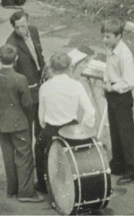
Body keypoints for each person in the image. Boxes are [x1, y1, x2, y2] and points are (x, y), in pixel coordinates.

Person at [37, 52, 98, 204]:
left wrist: (48, 126)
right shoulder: (77, 85)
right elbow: (90, 111)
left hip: (51, 129)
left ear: (51, 68)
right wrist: (83, 129)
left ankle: (44, 185)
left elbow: (41, 118)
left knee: (39, 149)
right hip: (71, 129)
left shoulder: (44, 87)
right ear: (70, 67)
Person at [0, 44, 43, 203]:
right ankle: (26, 192)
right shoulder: (20, 79)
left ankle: (11, 190)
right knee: (24, 156)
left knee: (8, 157)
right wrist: (26, 119)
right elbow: (27, 103)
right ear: (16, 59)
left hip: (2, 122)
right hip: (19, 123)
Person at [101, 19, 134, 184]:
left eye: (108, 37)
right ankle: (118, 165)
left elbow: (129, 82)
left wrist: (112, 88)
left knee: (126, 134)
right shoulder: (110, 48)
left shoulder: (124, 54)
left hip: (121, 96)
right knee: (115, 132)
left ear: (118, 36)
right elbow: (108, 69)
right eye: (104, 36)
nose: (104, 40)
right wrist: (106, 81)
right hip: (112, 93)